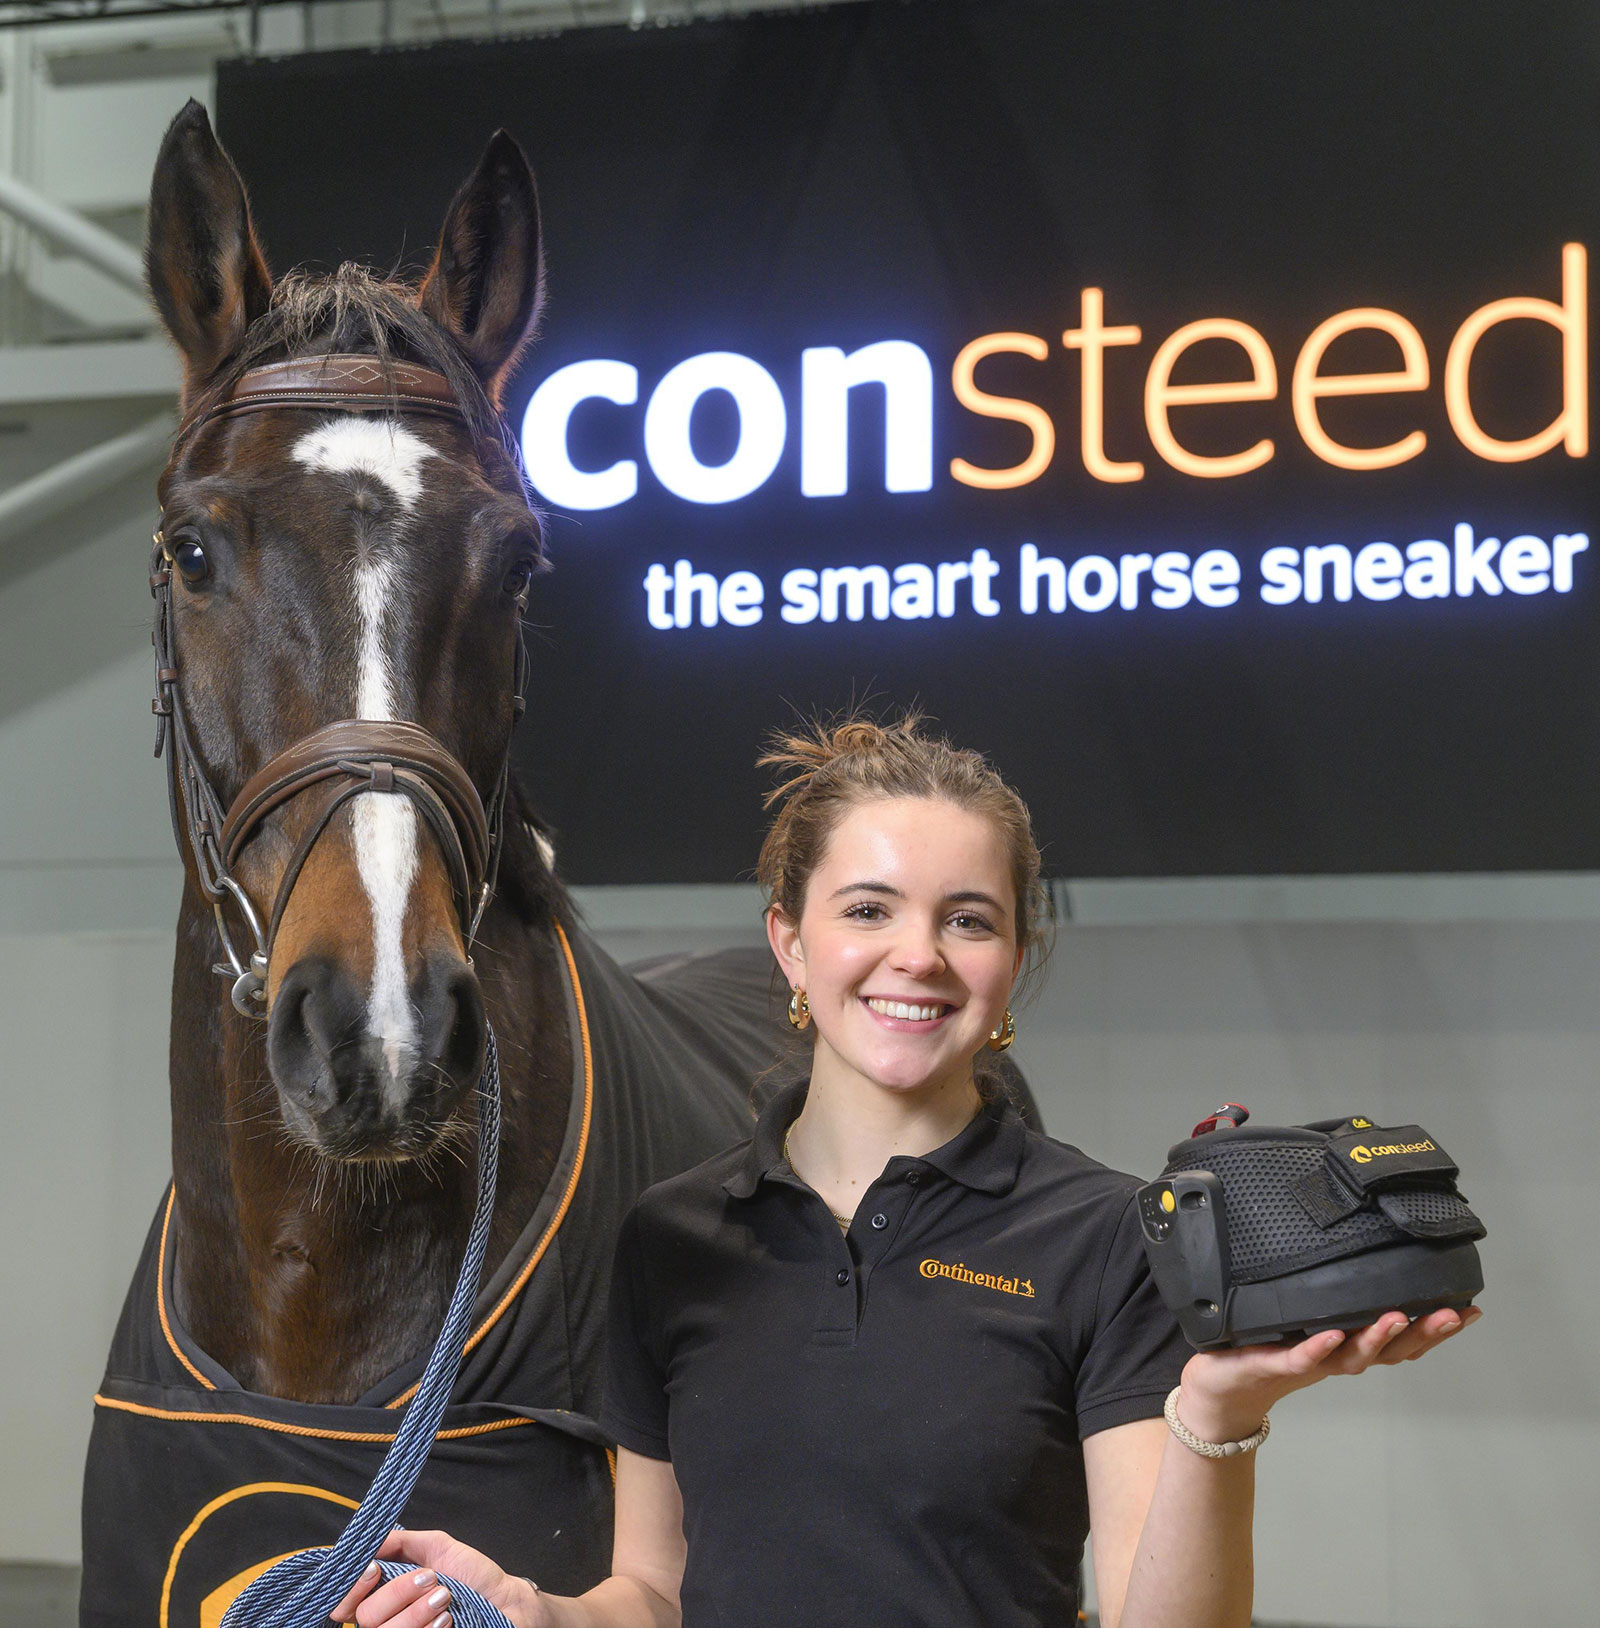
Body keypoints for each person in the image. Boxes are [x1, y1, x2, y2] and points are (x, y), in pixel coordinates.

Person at [336, 714, 1478, 1628]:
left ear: (1014, 956)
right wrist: (538, 1610)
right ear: (790, 941)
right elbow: (659, 1591)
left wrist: (1219, 1408)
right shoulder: (671, 1238)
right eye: (868, 908)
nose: (917, 954)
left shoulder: (1103, 1233)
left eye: (967, 918)